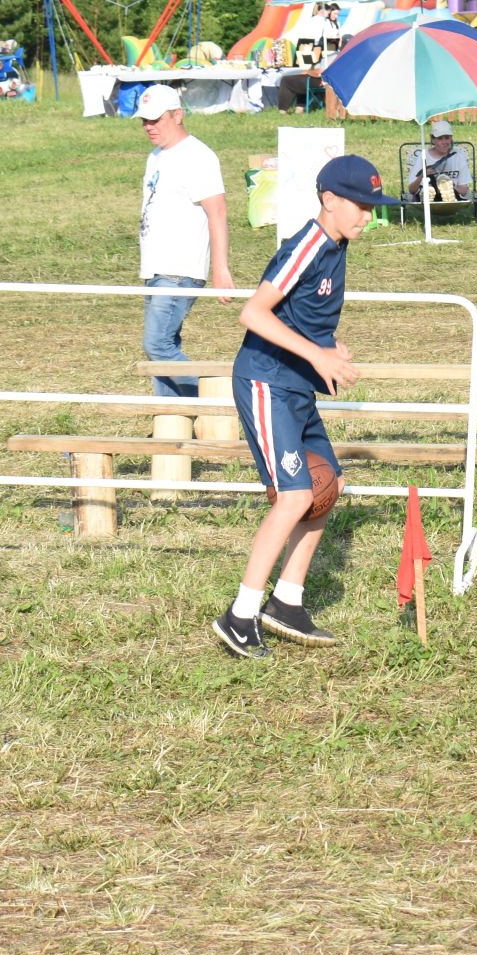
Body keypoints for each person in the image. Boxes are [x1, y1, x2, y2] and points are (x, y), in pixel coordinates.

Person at [213, 155, 393, 660]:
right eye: (360, 206)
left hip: (297, 386)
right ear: (329, 200)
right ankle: (239, 616)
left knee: (328, 485)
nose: (367, 217)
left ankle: (287, 602)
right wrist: (317, 355)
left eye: (372, 208)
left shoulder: (338, 245)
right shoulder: (307, 245)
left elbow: (303, 317)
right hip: (265, 382)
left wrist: (328, 348)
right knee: (294, 497)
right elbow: (254, 313)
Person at [136, 84, 233, 400]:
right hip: (156, 268)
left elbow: (217, 212)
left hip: (180, 269)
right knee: (163, 349)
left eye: (156, 119)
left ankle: (217, 402)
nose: (149, 126)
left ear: (177, 115)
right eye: (145, 120)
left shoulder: (198, 156)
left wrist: (220, 269)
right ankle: (172, 418)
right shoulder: (156, 157)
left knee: (157, 345)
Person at [405, 120, 473, 197]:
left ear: (451, 138)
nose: (444, 142)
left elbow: (463, 190)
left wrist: (449, 189)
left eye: (447, 138)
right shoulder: (424, 156)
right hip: (427, 199)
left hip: (452, 198)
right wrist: (422, 176)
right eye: (440, 138)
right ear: (433, 140)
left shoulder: (458, 155)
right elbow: (412, 190)